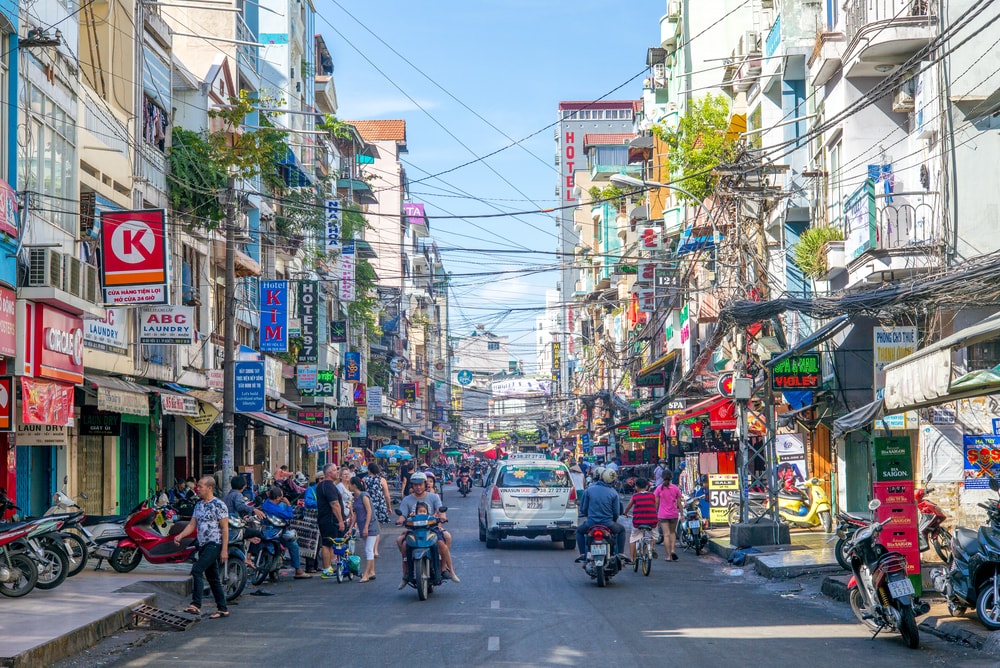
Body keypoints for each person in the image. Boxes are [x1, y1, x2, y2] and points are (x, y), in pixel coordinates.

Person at [173, 476, 229, 619]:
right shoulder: (198, 505)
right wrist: (180, 536)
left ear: (209, 488)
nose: (198, 489)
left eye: (201, 486)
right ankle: (222, 608)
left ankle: (196, 604)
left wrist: (224, 550)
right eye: (197, 486)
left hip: (214, 543)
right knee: (213, 577)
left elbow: (224, 529)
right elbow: (192, 524)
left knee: (197, 569)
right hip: (202, 544)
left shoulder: (219, 505)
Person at [396, 471, 459, 589]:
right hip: (413, 531)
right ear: (412, 486)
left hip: (432, 529)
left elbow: (441, 510)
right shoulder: (407, 500)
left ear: (425, 484)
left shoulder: (434, 497)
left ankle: (444, 568)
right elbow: (402, 515)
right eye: (415, 485)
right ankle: (406, 573)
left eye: (420, 484)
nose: (418, 487)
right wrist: (400, 519)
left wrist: (442, 516)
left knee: (442, 542)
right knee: (403, 544)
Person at [574, 468, 628, 564]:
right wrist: (614, 520)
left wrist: (588, 515)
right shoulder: (613, 493)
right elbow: (616, 512)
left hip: (591, 523)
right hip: (608, 524)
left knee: (579, 531)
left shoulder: (589, 490)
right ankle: (621, 553)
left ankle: (582, 554)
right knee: (622, 530)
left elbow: (583, 509)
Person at [261, 487, 311, 579]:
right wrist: (288, 504)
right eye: (281, 497)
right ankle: (298, 570)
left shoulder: (267, 503)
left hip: (268, 531)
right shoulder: (275, 508)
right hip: (276, 532)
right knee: (293, 545)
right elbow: (289, 515)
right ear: (278, 497)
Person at [315, 463, 345, 578]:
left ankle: (331, 566)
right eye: (334, 470)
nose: (337, 472)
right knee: (327, 544)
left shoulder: (322, 486)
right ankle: (327, 568)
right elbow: (334, 504)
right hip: (330, 520)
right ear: (328, 473)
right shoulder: (328, 486)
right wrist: (340, 521)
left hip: (325, 519)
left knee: (331, 543)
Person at [348, 476, 379, 582]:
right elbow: (356, 514)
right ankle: (372, 571)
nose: (348, 486)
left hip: (370, 526)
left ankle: (366, 574)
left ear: (354, 485)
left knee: (368, 549)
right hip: (362, 526)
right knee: (368, 548)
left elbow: (369, 511)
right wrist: (351, 527)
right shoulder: (355, 498)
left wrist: (366, 526)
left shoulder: (364, 496)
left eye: (350, 484)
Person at [623, 477, 658, 561]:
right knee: (654, 535)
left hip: (638, 522)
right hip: (652, 521)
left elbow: (628, 507)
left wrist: (625, 513)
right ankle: (651, 548)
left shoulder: (635, 496)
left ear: (636, 487)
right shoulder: (652, 495)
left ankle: (631, 558)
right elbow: (655, 507)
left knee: (633, 537)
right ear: (647, 487)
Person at [363, 463, 392, 558]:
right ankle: (375, 550)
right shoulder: (382, 480)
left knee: (368, 527)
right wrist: (389, 507)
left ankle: (370, 548)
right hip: (379, 505)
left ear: (369, 470)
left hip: (367, 504)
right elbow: (387, 495)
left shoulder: (364, 480)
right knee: (377, 528)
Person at [655, 469, 685, 562]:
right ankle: (673, 550)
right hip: (673, 514)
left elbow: (656, 503)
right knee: (672, 533)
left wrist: (655, 513)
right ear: (671, 477)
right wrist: (682, 514)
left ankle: (668, 556)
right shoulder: (675, 488)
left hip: (663, 515)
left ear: (662, 477)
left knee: (666, 535)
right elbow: (679, 503)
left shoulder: (659, 488)